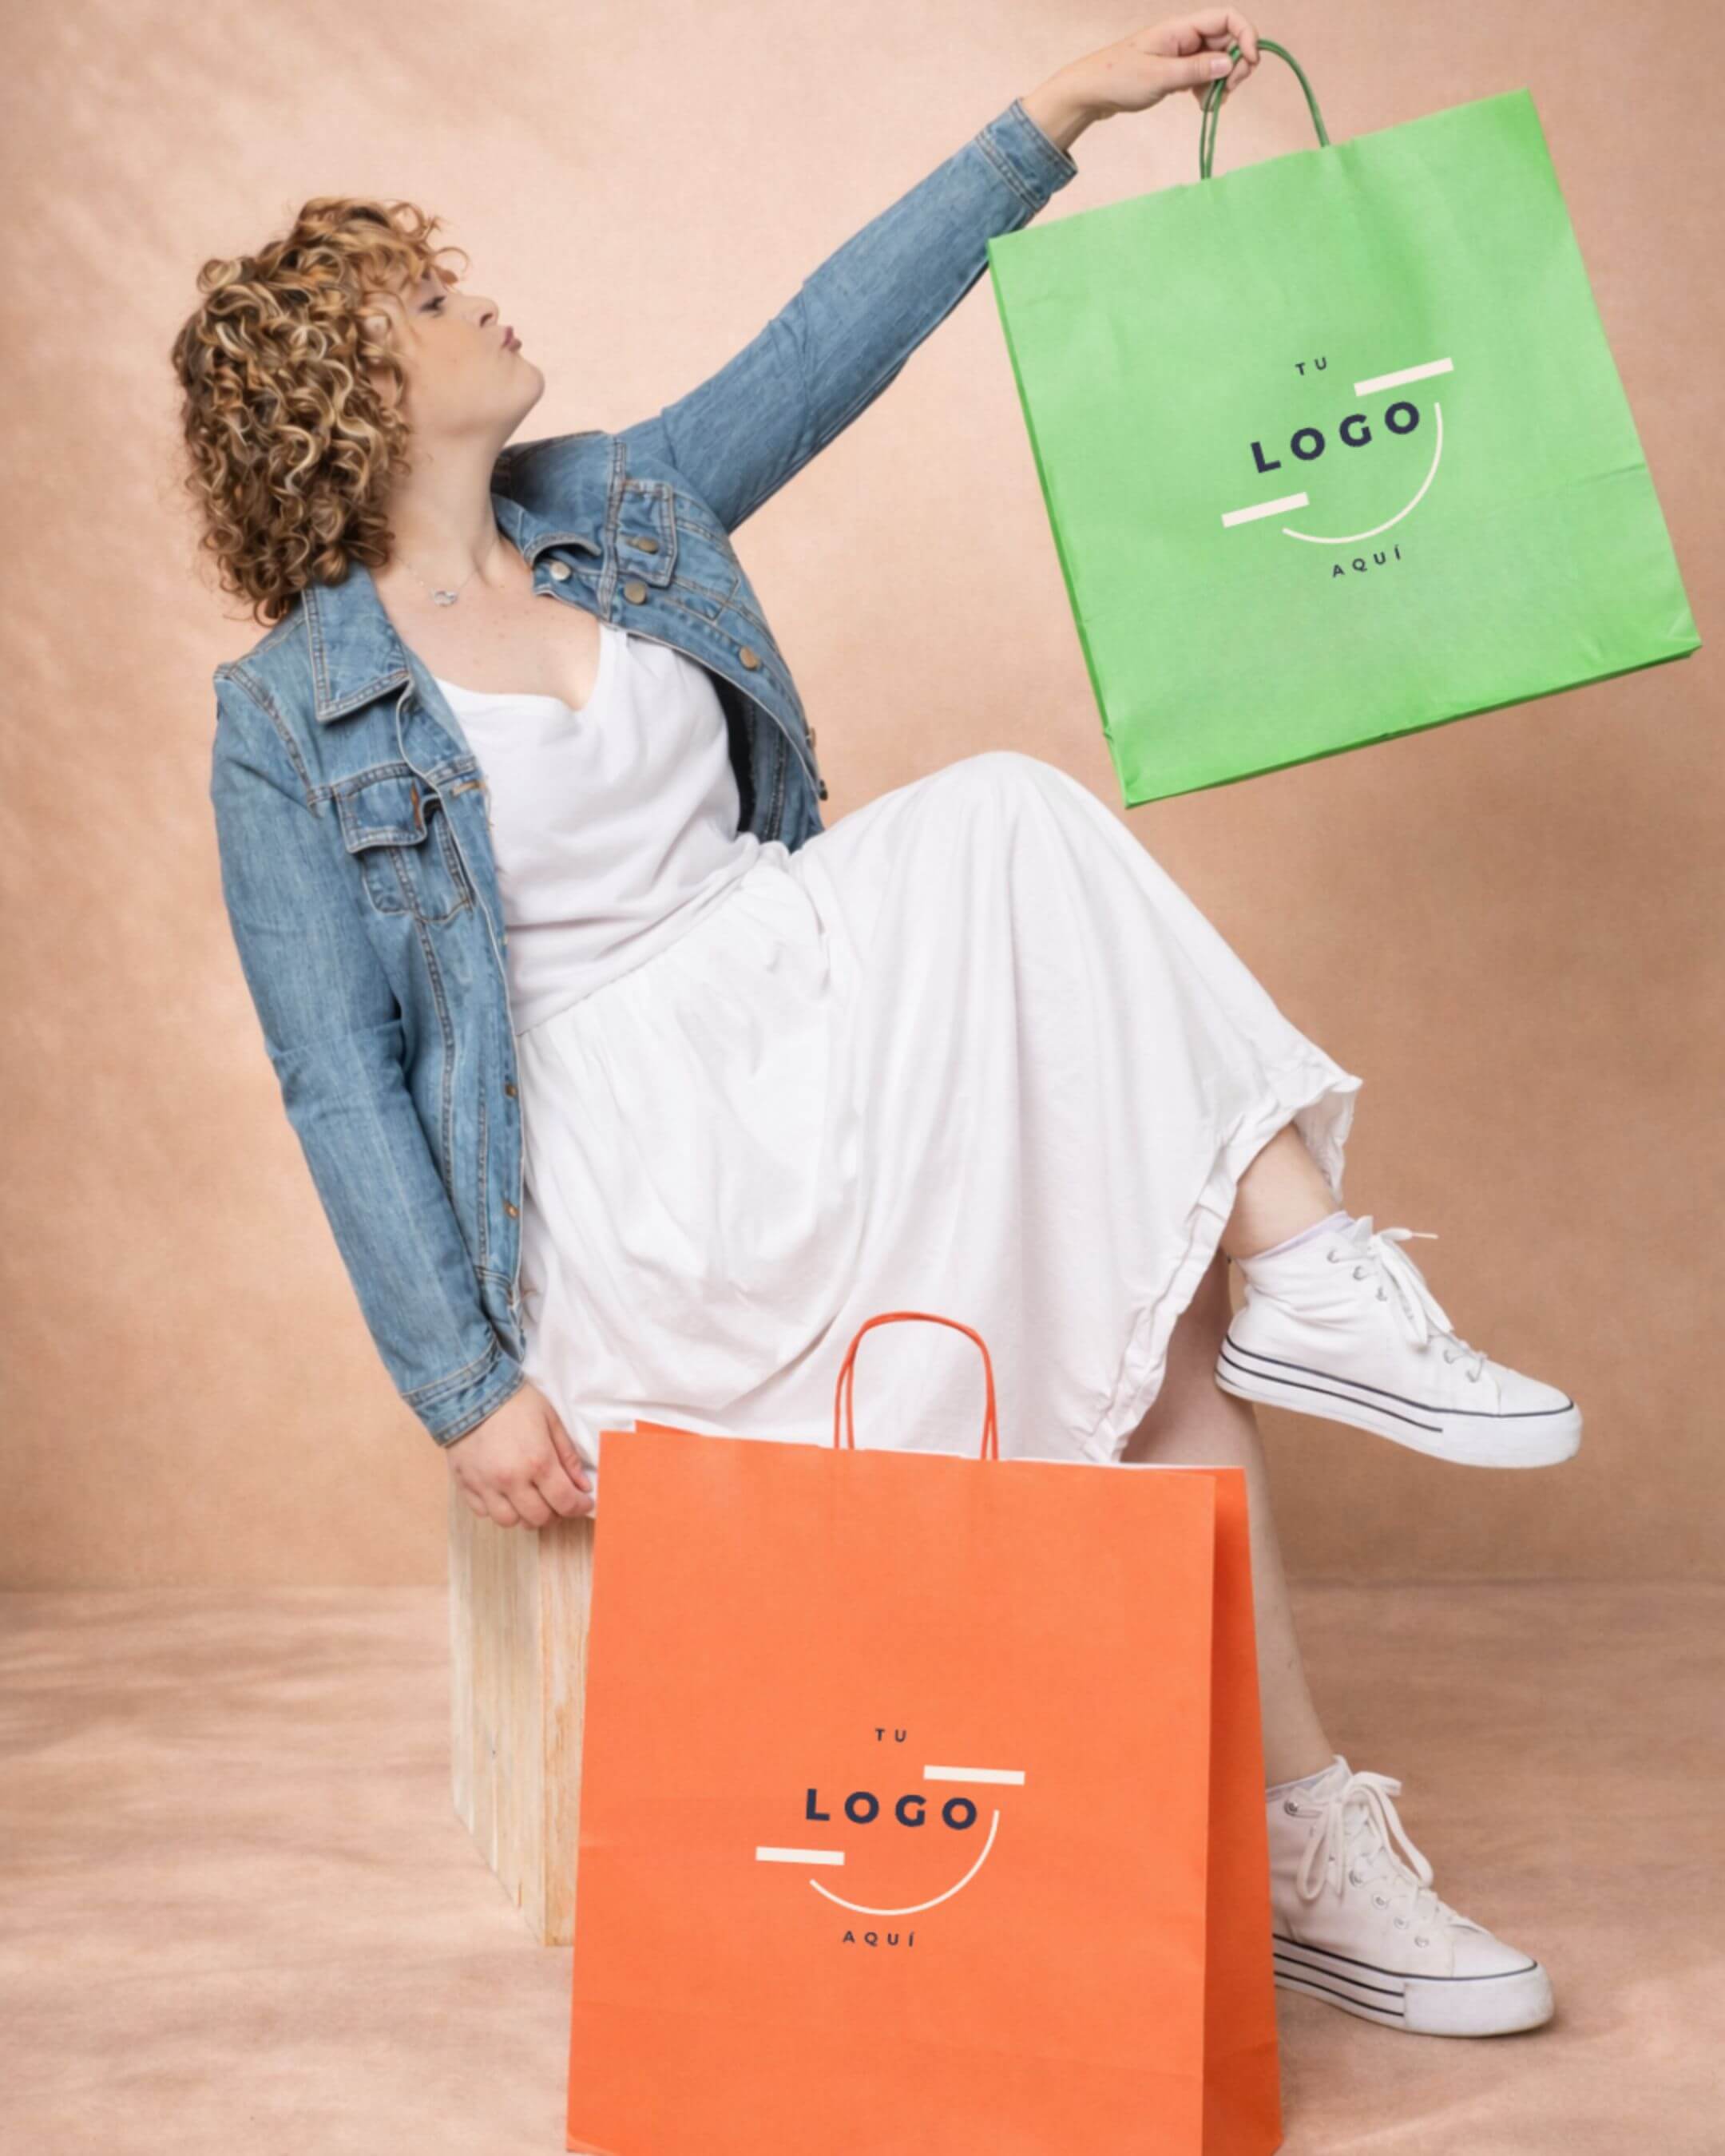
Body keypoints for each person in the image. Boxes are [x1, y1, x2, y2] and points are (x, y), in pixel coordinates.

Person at [175, 11, 1575, 2039]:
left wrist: (1055, 119)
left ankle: (1310, 1824)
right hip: (632, 1164)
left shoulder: (618, 502)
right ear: (351, 384)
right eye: (422, 288)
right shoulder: (288, 720)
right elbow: (338, 1072)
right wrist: (457, 1382)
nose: (473, 291)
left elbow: (834, 344)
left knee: (1156, 1276)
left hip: (814, 1011)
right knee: (1016, 832)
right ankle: (1316, 1296)